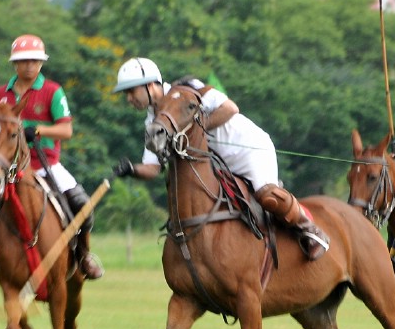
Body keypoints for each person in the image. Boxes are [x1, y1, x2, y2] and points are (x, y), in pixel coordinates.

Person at [110, 57, 328, 260]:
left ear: (150, 85)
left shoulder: (190, 89)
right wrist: (131, 169)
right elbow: (152, 167)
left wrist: (196, 127)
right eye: (126, 94)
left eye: (131, 91)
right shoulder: (154, 123)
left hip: (250, 149)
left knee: (266, 195)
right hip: (221, 168)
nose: (129, 99)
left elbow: (230, 108)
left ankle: (310, 227)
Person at [0, 33, 104, 290]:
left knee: (82, 204)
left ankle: (84, 256)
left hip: (46, 165)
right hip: (6, 168)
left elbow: (66, 130)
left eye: (34, 60)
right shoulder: (0, 94)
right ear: (14, 64)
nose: (29, 66)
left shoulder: (52, 91)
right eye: (23, 61)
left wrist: (38, 131)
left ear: (41, 63)